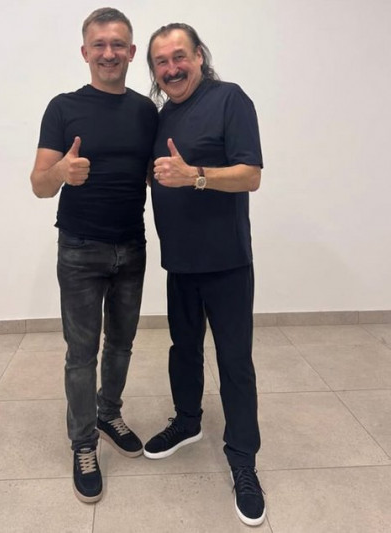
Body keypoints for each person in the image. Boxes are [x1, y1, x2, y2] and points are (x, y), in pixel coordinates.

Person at [29, 7, 158, 504]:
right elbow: (39, 185)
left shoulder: (146, 112)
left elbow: (154, 174)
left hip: (132, 247)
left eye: (118, 44)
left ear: (131, 51)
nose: (109, 53)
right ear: (85, 52)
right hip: (81, 249)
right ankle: (83, 443)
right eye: (99, 45)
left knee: (121, 345)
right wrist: (61, 172)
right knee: (81, 355)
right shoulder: (63, 108)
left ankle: (108, 413)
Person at [142, 23, 266, 526]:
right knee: (183, 349)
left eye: (180, 56)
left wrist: (195, 175)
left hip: (228, 262)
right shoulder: (162, 116)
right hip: (180, 262)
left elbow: (250, 175)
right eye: (161, 62)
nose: (172, 68)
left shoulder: (229, 99)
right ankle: (188, 421)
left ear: (199, 56)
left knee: (234, 362)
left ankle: (243, 459)